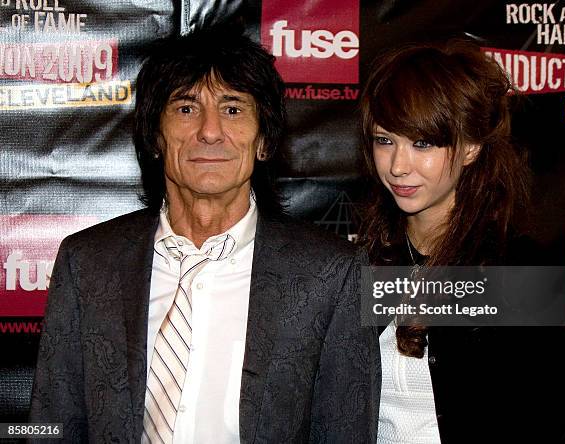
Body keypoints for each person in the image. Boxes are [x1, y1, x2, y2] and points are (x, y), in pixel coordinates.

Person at [29, 26, 380, 443]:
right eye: (186, 109)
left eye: (232, 110)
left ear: (264, 141)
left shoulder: (331, 274)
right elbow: (51, 425)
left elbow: (345, 433)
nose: (210, 131)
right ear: (155, 137)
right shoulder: (86, 262)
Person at [359, 41, 565, 443]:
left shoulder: (524, 272)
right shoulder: (359, 264)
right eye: (385, 140)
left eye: (423, 143)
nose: (399, 166)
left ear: (471, 146)